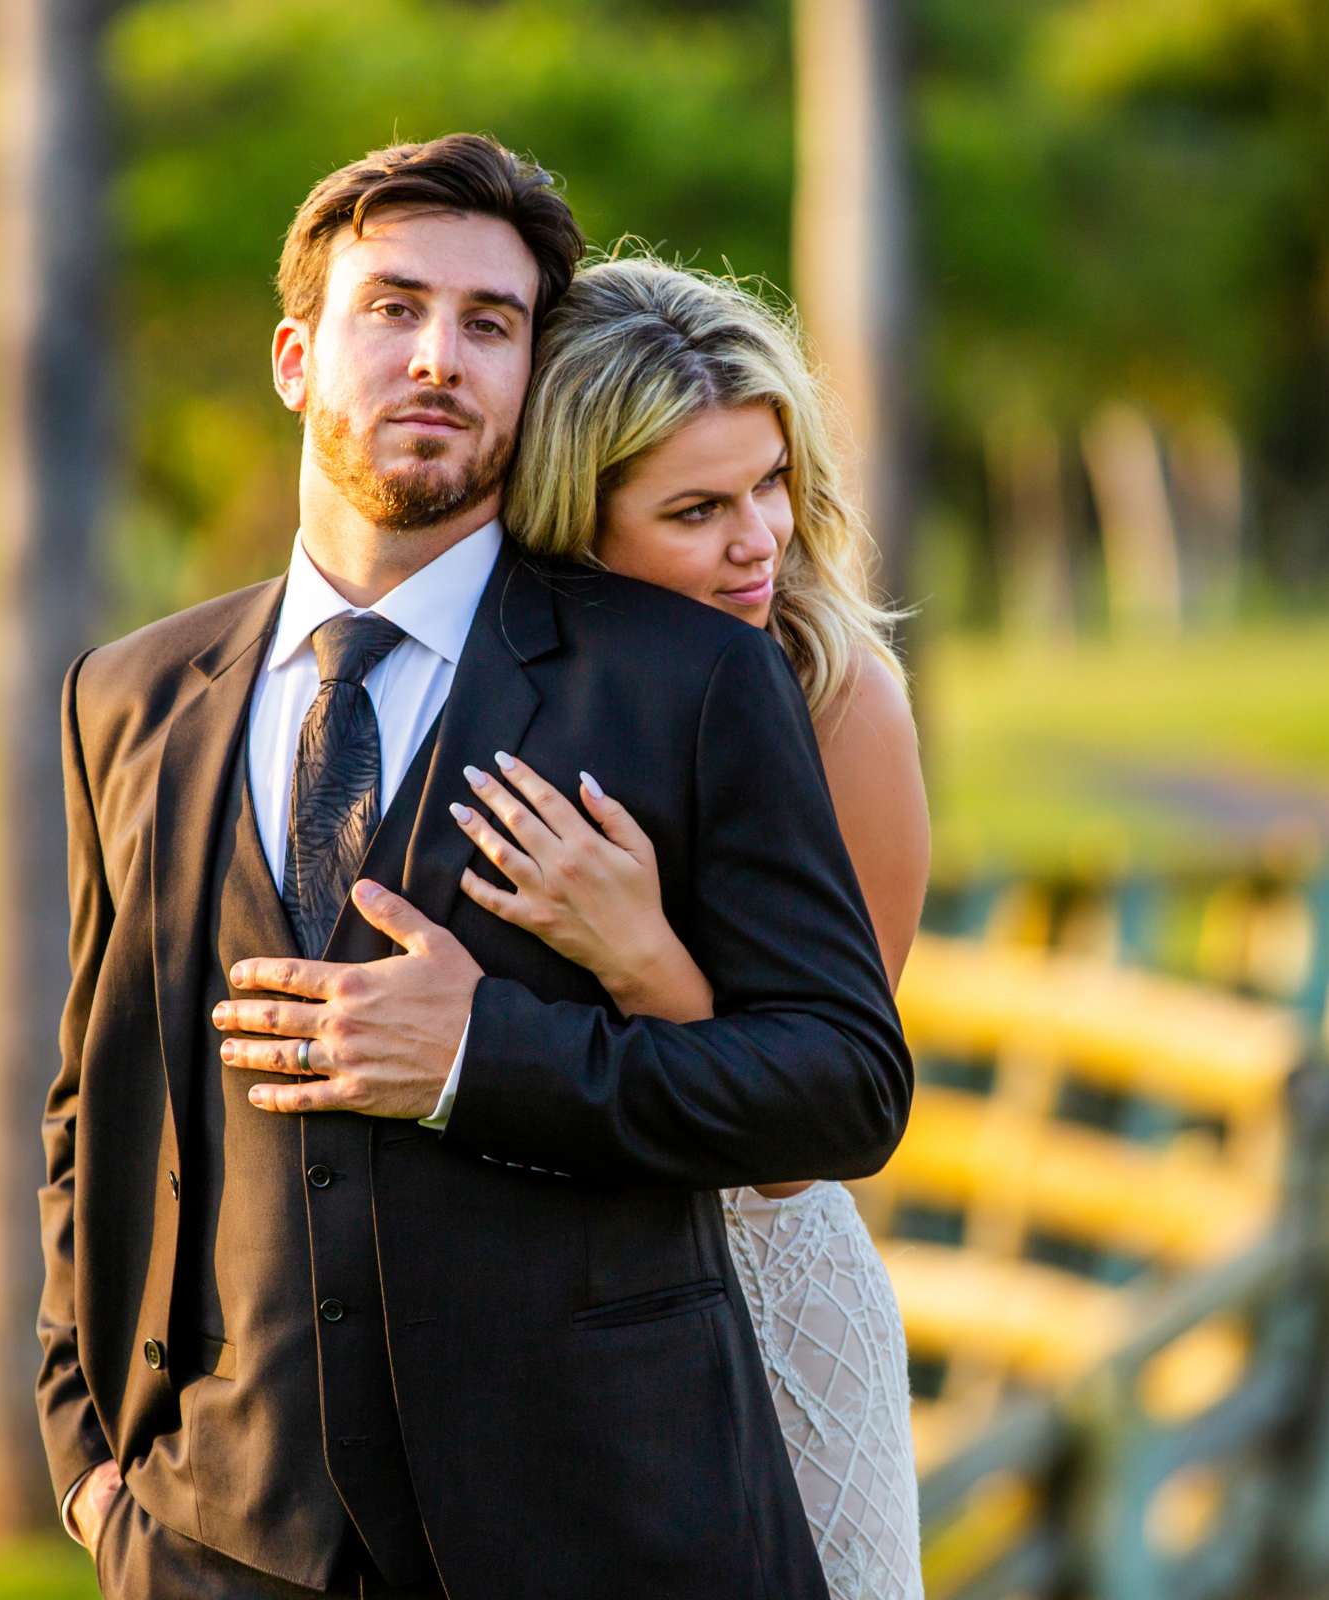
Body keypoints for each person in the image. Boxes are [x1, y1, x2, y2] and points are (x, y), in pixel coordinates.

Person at [34, 134, 912, 1600]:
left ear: (531, 376)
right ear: (296, 357)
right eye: (395, 308)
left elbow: (846, 1086)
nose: (440, 356)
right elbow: (93, 1098)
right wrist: (88, 1461)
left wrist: (479, 1057)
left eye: (491, 324)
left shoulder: (694, 681)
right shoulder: (130, 696)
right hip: (213, 1546)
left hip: (612, 1535)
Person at [453, 254, 933, 1600]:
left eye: (771, 483)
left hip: (770, 1308)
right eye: (698, 508)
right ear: (574, 519)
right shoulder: (502, 690)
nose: (758, 539)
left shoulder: (841, 699)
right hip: (554, 1345)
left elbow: (806, 1136)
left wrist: (642, 952)